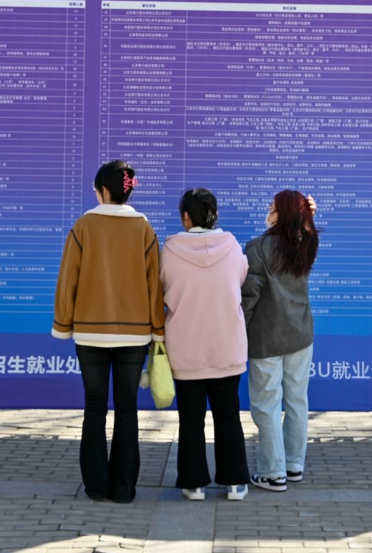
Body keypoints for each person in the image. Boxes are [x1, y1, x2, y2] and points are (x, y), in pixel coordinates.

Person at [52, 160, 165, 503]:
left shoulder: (84, 225)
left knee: (95, 407)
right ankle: (124, 488)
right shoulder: (143, 228)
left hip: (90, 332)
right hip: (135, 334)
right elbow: (155, 286)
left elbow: (67, 279)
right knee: (127, 408)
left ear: (103, 190)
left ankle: (97, 486)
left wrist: (63, 324)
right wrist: (157, 330)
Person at [160, 188, 251, 502]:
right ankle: (235, 483)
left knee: (191, 419)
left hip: (186, 350)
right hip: (227, 346)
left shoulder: (169, 251)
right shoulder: (232, 246)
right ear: (215, 215)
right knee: (228, 416)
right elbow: (240, 277)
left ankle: (194, 483)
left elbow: (160, 285)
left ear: (186, 217)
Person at [241, 189, 319, 492]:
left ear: (281, 214)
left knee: (266, 404)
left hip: (266, 336)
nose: (268, 212)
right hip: (301, 333)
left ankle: (272, 472)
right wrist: (309, 216)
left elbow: (249, 296)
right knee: (298, 400)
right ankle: (293, 465)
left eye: (272, 208)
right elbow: (307, 231)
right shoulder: (306, 244)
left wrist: (238, 329)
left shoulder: (257, 248)